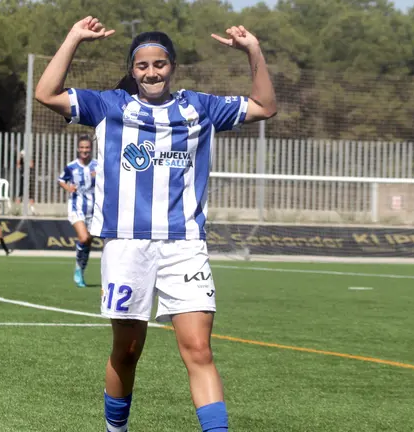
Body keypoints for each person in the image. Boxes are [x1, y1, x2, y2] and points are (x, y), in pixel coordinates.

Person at [34, 17, 277, 432]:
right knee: (127, 351)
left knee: (198, 349)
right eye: (143, 65)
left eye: (160, 64)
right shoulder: (109, 105)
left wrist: (253, 50)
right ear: (133, 69)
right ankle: (116, 429)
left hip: (184, 245)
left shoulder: (199, 107)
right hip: (126, 245)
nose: (152, 72)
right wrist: (74, 37)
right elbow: (46, 93)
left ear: (172, 66)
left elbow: (265, 106)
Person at [58, 135, 98, 288]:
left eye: (87, 147)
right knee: (83, 238)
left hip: (94, 209)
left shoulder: (97, 166)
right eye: (82, 147)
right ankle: (78, 269)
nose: (84, 150)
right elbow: (61, 179)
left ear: (91, 149)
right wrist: (68, 188)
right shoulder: (71, 166)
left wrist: (99, 177)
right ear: (77, 148)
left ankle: (80, 268)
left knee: (88, 241)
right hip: (76, 206)